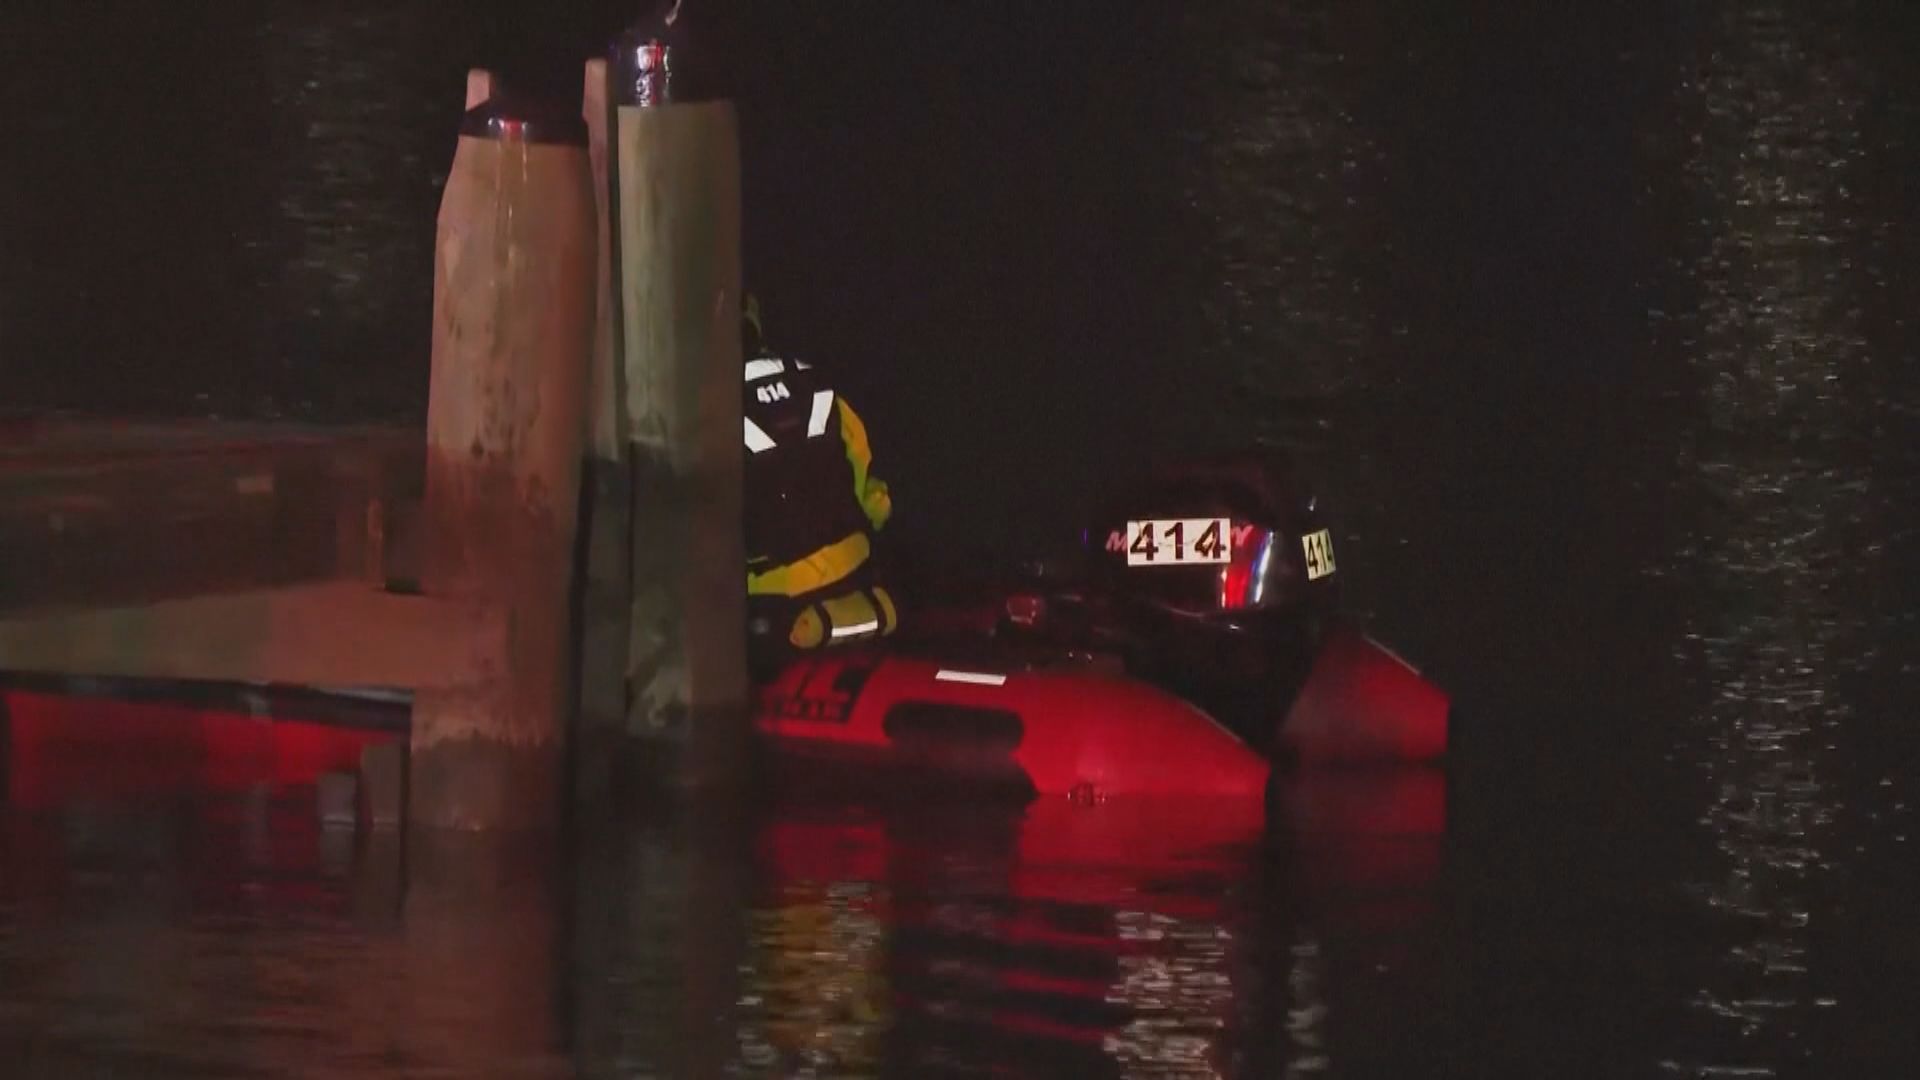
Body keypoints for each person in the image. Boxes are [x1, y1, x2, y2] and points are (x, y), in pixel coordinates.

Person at [741, 295, 899, 665]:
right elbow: (875, 498)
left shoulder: (704, 402)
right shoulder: (813, 381)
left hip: (774, 607)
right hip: (856, 580)